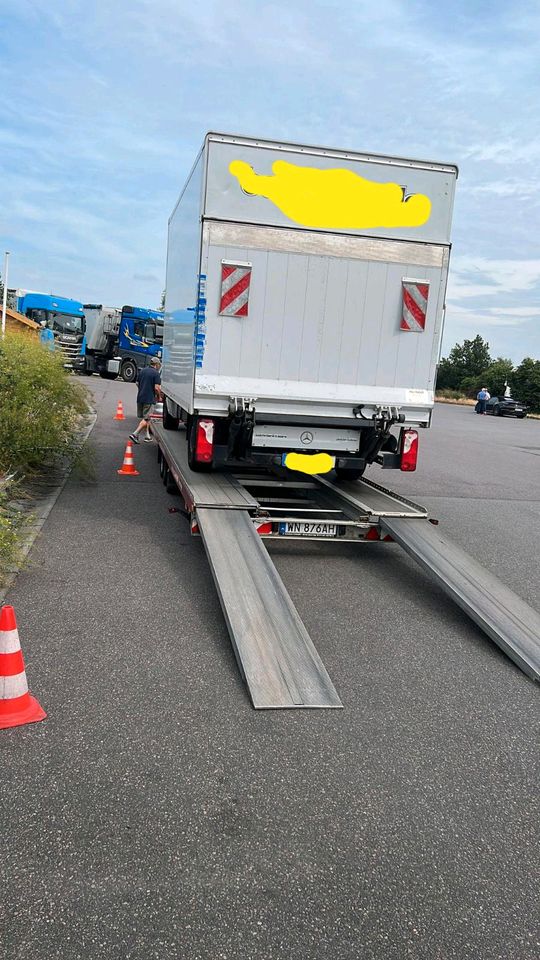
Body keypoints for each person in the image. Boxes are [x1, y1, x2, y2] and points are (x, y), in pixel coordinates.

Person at [129, 358, 162, 443]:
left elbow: (137, 383)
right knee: (147, 418)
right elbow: (156, 388)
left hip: (140, 398)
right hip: (149, 399)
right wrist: (159, 396)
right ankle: (135, 434)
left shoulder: (143, 371)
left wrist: (142, 389)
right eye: (159, 365)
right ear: (156, 364)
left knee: (146, 418)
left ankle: (147, 436)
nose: (159, 366)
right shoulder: (156, 374)